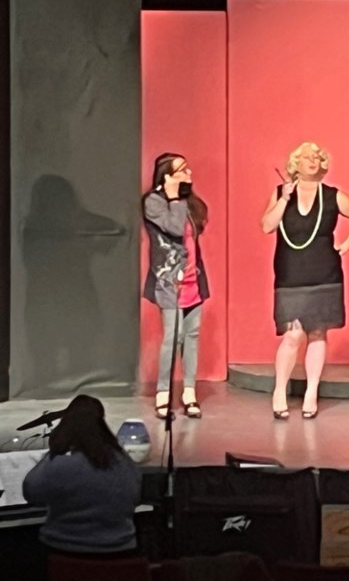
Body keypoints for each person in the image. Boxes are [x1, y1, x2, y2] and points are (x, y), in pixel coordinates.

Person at [261, 142, 349, 420]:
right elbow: (267, 226)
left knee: (318, 332)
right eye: (306, 157)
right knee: (293, 334)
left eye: (317, 158)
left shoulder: (333, 196)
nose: (313, 161)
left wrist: (346, 245)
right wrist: (285, 198)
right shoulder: (280, 193)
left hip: (324, 273)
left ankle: (311, 392)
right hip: (290, 273)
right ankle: (280, 391)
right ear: (294, 164)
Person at [22, 395, 142, 560]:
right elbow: (135, 496)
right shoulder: (123, 462)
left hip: (64, 555)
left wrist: (53, 453)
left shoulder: (62, 463)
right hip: (121, 556)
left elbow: (31, 492)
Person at [143, 152, 209, 420]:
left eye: (188, 168)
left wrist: (180, 199)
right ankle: (163, 393)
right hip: (169, 280)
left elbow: (194, 234)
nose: (188, 174)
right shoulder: (154, 202)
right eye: (181, 170)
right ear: (167, 176)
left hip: (194, 277)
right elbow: (173, 228)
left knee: (192, 336)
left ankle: (189, 393)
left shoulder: (189, 203)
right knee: (173, 336)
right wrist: (172, 198)